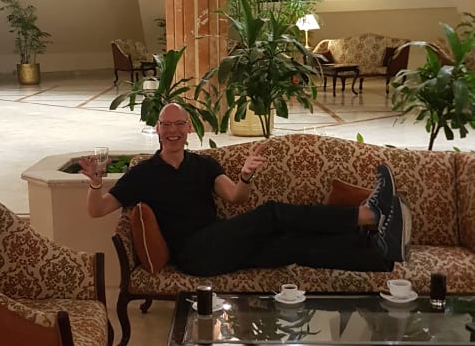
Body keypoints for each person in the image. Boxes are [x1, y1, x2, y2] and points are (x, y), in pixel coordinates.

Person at [79, 103, 411, 277]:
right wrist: (95, 182)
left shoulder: (204, 164)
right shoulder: (143, 173)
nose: (173, 130)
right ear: (157, 130)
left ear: (189, 129)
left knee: (292, 246)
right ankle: (368, 214)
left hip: (220, 243)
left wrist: (246, 176)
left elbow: (235, 196)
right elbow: (97, 210)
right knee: (272, 214)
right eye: (167, 125)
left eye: (179, 124)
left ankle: (380, 254)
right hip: (193, 255)